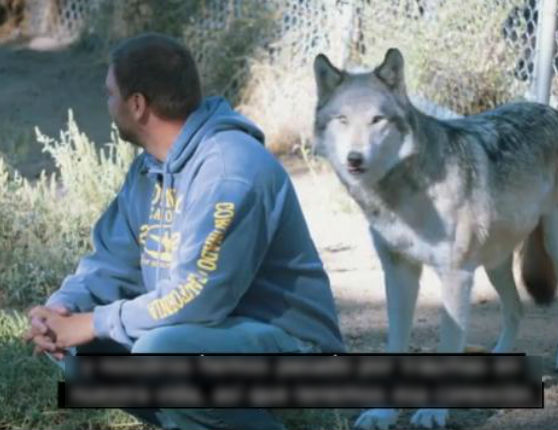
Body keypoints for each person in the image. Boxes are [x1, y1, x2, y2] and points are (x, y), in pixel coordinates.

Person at [24, 32, 344, 430]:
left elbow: (197, 298)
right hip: (214, 343)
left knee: (161, 352)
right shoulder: (148, 171)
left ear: (137, 105)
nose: (107, 104)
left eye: (109, 94)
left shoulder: (230, 172)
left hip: (298, 352)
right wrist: (64, 308)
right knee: (87, 360)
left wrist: (91, 323)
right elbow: (110, 263)